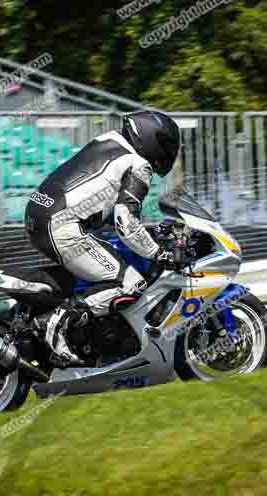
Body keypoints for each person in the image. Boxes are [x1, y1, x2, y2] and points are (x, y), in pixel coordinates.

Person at [24, 110, 181, 365]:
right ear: (153, 139)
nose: (169, 153)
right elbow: (125, 222)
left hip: (38, 213)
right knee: (130, 284)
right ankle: (58, 322)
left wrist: (148, 234)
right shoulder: (138, 164)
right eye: (167, 145)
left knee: (100, 272)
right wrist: (159, 253)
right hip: (63, 226)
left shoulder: (107, 142)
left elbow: (99, 200)